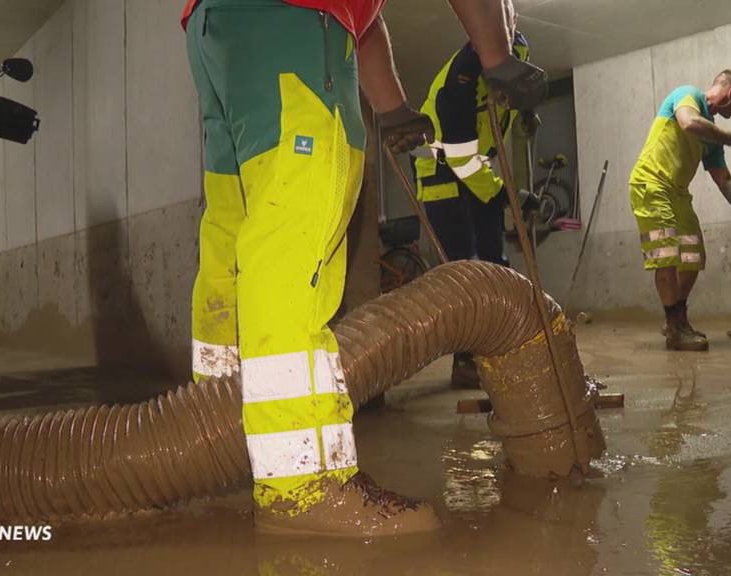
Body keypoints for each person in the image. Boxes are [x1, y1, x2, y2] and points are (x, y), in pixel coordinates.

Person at [180, 0, 547, 536]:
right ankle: (299, 486)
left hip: (219, 28)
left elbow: (362, 18)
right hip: (293, 21)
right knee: (295, 228)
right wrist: (497, 54)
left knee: (235, 232)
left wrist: (393, 106)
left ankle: (212, 443)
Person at [413, 0, 540, 388]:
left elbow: (508, 104)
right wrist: (507, 197)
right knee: (463, 267)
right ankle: (464, 359)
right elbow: (460, 157)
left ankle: (496, 346)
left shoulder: (518, 53)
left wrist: (526, 110)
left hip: (477, 167)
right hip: (442, 169)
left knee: (494, 261)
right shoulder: (462, 75)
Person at [629, 70, 731, 351]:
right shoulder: (687, 95)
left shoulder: (713, 135)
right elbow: (688, 123)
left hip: (678, 194)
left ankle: (676, 319)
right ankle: (676, 329)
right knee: (666, 257)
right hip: (651, 185)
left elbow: (724, 180)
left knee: (693, 258)